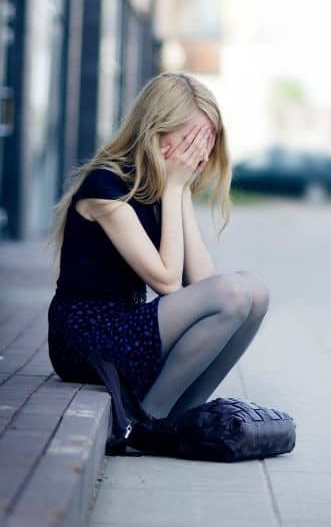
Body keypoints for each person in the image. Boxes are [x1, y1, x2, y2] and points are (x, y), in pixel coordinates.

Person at [47, 72, 270, 420]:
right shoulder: (105, 186)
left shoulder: (161, 187)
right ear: (155, 130)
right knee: (233, 292)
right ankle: (147, 421)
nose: (197, 152)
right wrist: (175, 188)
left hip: (128, 326)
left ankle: (184, 412)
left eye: (205, 141)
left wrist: (178, 191)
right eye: (189, 139)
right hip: (87, 339)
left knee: (254, 292)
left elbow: (201, 284)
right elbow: (167, 284)